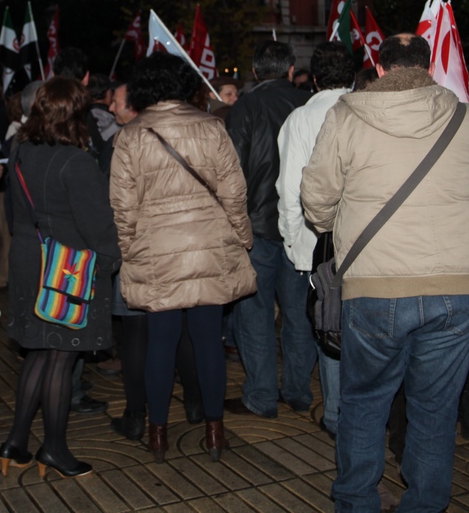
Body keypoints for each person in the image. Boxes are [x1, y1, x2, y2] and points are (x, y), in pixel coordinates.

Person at [301, 33, 469, 513]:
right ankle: (425, 503)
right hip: (458, 285)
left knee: (364, 402)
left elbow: (316, 198)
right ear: (428, 68)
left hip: (375, 283)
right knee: (435, 407)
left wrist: (330, 223)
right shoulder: (468, 116)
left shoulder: (346, 115)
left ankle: (357, 500)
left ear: (380, 68)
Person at [109, 53, 256, 462]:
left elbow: (122, 207)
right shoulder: (212, 126)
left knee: (161, 341)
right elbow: (233, 190)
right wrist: (243, 239)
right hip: (209, 246)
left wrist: (129, 251)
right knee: (209, 340)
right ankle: (214, 431)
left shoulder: (131, 135)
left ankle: (157, 434)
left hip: (157, 253)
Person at [0, 78, 120, 478]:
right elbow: (98, 226)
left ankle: (16, 442)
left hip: (29, 262)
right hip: (66, 270)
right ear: (75, 114)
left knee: (38, 352)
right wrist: (110, 260)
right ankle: (53, 449)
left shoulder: (19, 151)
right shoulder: (77, 161)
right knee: (62, 357)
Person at [224, 40, 312, 419]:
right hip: (301, 226)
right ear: (291, 69)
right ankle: (298, 390)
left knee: (255, 313)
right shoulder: (307, 104)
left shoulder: (245, 107)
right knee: (298, 313)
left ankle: (261, 396)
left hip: (257, 227)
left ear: (256, 72)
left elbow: (232, 171)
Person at [275, 41, 357, 439]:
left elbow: (291, 188)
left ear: (316, 77)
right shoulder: (369, 112)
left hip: (316, 245)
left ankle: (338, 414)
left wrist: (295, 246)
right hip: (371, 243)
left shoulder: (300, 118)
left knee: (328, 326)